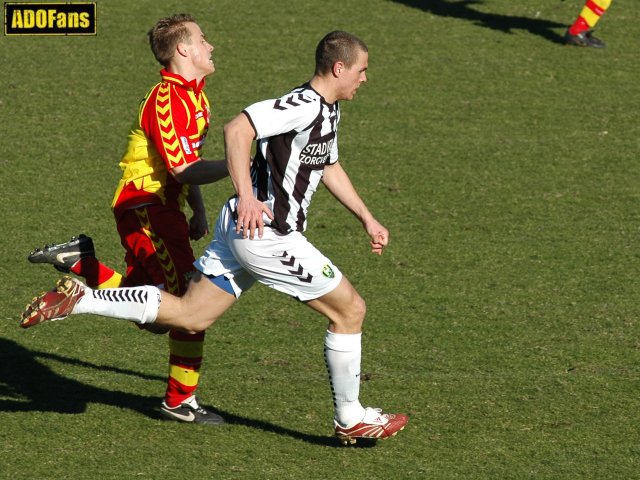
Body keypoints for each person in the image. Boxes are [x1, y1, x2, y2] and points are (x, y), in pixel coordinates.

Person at [22, 30, 408, 445]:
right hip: (269, 234)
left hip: (243, 231)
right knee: (350, 310)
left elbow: (327, 164)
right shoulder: (301, 105)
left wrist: (367, 217)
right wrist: (246, 197)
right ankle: (350, 417)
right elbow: (238, 129)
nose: (365, 78)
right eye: (362, 70)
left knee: (190, 316)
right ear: (339, 68)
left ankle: (82, 299)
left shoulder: (328, 112)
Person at [26, 13, 229, 425]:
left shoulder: (197, 97)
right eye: (203, 39)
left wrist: (200, 209)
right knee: (190, 305)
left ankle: (82, 262)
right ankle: (179, 401)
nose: (211, 46)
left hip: (162, 209)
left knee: (161, 309)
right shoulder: (167, 100)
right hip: (146, 208)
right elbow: (182, 169)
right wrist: (238, 164)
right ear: (183, 50)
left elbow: (187, 162)